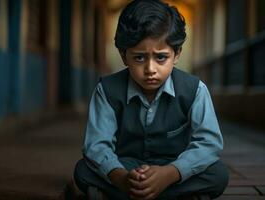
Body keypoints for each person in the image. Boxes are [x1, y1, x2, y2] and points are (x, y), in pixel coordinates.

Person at [74, 0, 229, 199]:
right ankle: (155, 193)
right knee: (83, 170)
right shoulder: (107, 90)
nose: (150, 69)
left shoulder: (195, 90)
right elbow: (96, 146)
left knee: (218, 174)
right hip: (126, 167)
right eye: (139, 58)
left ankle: (133, 194)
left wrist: (170, 173)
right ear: (123, 56)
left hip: (173, 167)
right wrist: (121, 177)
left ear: (177, 54)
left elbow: (209, 143)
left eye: (161, 57)